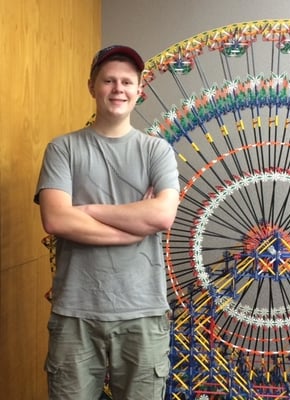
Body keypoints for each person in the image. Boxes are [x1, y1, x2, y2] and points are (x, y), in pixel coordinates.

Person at [34, 45, 180, 400]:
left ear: (139, 90)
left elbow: (162, 215)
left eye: (127, 82)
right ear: (92, 86)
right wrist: (131, 227)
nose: (118, 89)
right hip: (76, 313)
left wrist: (86, 211)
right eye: (109, 80)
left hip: (143, 312)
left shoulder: (156, 150)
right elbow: (55, 218)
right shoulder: (63, 149)